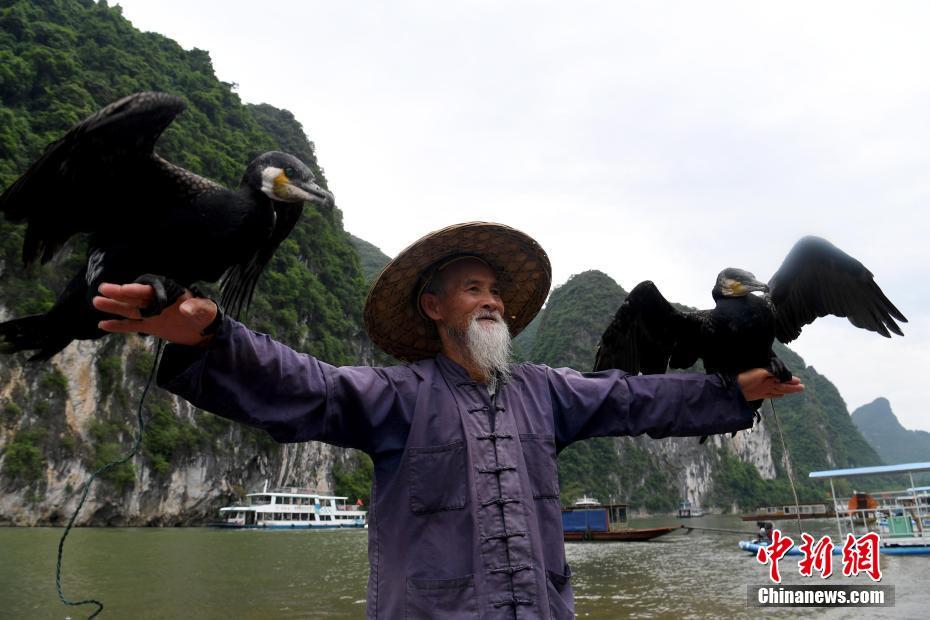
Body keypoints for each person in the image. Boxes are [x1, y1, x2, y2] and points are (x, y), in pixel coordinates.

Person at [93, 222, 803, 619]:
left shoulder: (546, 393)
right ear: (434, 307)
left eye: (495, 291)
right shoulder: (395, 396)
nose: (491, 301)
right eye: (473, 289)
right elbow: (308, 386)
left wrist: (733, 391)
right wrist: (213, 334)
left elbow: (635, 398)